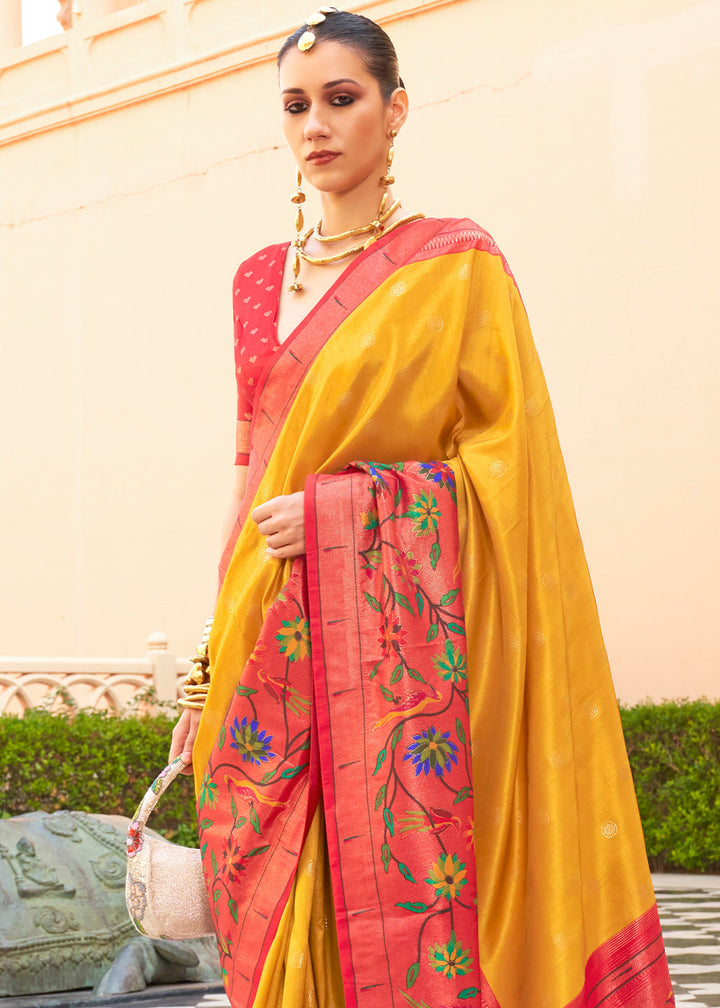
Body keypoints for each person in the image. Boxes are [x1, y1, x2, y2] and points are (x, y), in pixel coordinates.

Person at [169, 9, 675, 1008]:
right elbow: (248, 472)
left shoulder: (456, 265)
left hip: (399, 659)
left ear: (395, 110)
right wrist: (206, 657)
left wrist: (343, 516)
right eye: (295, 106)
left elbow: (508, 472)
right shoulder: (257, 281)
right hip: (266, 631)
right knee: (263, 893)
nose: (316, 125)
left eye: (342, 99)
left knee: (409, 893)